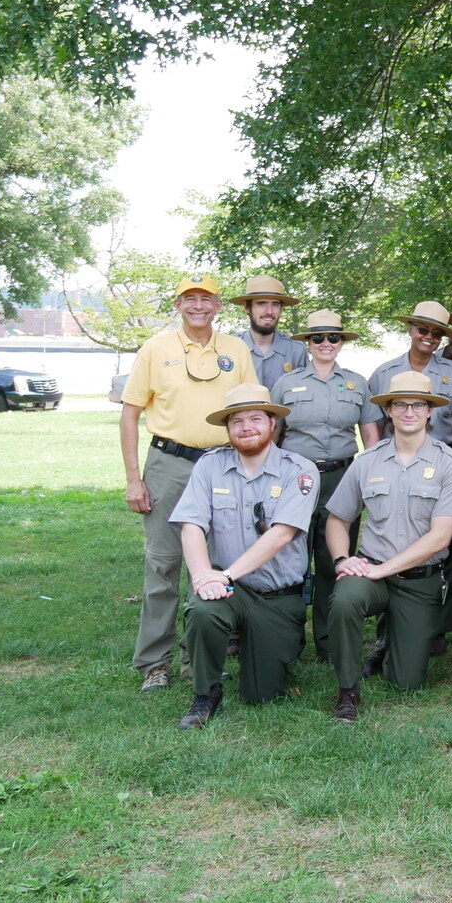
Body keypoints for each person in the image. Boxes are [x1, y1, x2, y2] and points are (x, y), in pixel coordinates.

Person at [119, 275, 257, 691]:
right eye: (189, 299)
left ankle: (199, 658)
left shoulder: (235, 348)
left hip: (223, 463)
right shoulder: (156, 348)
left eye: (206, 299)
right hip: (168, 462)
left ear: (218, 306)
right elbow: (129, 415)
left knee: (217, 562)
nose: (198, 305)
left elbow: (252, 410)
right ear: (178, 305)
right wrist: (133, 479)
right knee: (163, 563)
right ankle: (154, 663)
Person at [321, 373, 452, 720]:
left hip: (419, 580)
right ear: (388, 410)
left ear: (430, 411)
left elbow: (441, 537)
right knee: (345, 599)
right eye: (400, 404)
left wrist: (382, 569)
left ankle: (388, 645)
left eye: (418, 405)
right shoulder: (367, 461)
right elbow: (337, 520)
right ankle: (347, 690)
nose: (409, 412)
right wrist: (343, 559)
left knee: (406, 682)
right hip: (372, 573)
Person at [170, 383, 319, 728]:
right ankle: (205, 695)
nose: (246, 427)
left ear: (272, 424)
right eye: (237, 421)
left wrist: (224, 575)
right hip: (229, 590)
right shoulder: (209, 466)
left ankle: (269, 652)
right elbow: (191, 524)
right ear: (228, 429)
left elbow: (282, 535)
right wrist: (202, 576)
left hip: (277, 596)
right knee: (203, 609)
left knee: (261, 695)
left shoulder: (300, 470)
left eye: (255, 418)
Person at [271, 311, 370, 661]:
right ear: (307, 343)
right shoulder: (286, 384)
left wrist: (370, 482)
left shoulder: (359, 383)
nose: (326, 344)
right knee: (290, 558)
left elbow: (370, 440)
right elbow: (274, 436)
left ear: (342, 342)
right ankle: (288, 637)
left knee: (333, 560)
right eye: (318, 338)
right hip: (297, 478)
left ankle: (329, 643)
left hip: (342, 478)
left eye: (333, 338)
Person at [362, 301, 452, 448]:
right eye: (423, 330)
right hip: (395, 456)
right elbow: (375, 423)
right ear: (411, 330)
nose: (429, 337)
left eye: (436, 333)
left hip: (444, 455)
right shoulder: (384, 374)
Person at [229, 275, 308, 388]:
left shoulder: (296, 350)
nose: (269, 311)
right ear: (247, 307)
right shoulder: (230, 347)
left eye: (275, 304)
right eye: (261, 303)